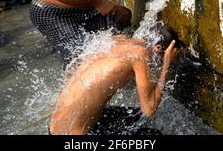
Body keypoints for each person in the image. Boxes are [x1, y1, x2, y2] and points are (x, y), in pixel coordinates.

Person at [49, 25, 182, 135]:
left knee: (135, 116)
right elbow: (149, 108)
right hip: (72, 135)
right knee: (152, 135)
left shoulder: (119, 40)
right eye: (160, 58)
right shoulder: (140, 55)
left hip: (56, 126)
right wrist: (166, 64)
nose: (156, 64)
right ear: (158, 48)